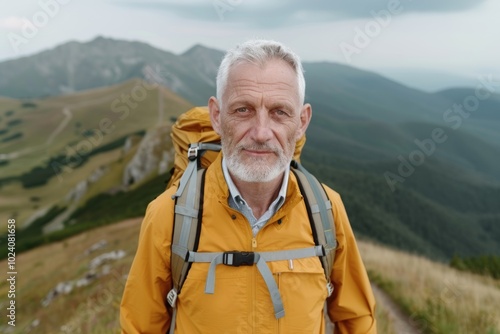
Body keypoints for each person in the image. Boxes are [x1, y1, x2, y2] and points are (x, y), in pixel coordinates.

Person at [120, 39, 377, 333]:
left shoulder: (326, 211)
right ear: (216, 116)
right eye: (243, 110)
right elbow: (139, 328)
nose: (261, 133)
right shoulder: (169, 215)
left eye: (280, 112)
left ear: (302, 121)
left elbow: (357, 321)